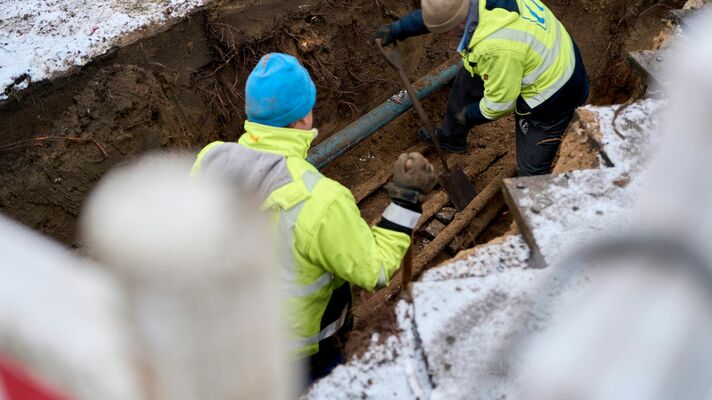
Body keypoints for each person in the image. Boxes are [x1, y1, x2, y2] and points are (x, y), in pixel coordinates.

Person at [191, 53, 436, 382]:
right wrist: (406, 202)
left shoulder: (211, 159)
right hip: (302, 355)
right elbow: (373, 270)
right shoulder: (320, 198)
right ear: (304, 118)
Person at [375, 0, 590, 176]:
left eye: (442, 31)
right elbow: (442, 13)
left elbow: (500, 103)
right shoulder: (469, 7)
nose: (440, 34)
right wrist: (399, 29)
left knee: (531, 167)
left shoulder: (496, 46)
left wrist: (469, 115)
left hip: (555, 94)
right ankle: (452, 138)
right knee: (466, 78)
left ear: (455, 27)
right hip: (545, 52)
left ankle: (534, 213)